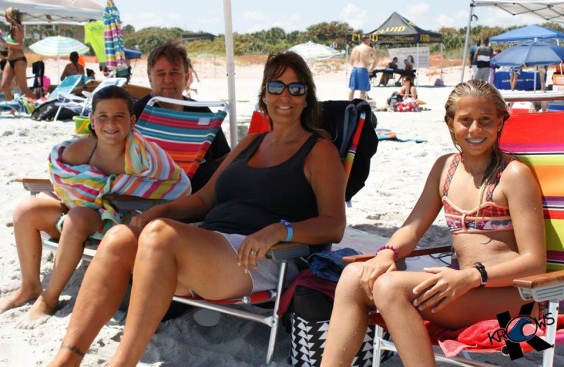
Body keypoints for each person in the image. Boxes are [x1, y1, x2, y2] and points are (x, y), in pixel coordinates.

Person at [48, 50, 347, 366]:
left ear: (306, 97)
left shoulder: (319, 151)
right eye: (276, 87)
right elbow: (205, 199)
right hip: (206, 245)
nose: (285, 95)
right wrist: (157, 212)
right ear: (264, 95)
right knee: (120, 237)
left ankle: (122, 361)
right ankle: (68, 357)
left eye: (296, 88)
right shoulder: (251, 143)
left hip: (260, 257)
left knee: (161, 235)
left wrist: (280, 230)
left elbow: (333, 225)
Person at [321, 80, 546, 367]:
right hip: (464, 290)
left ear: (501, 121)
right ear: (450, 123)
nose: (475, 129)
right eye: (465, 121)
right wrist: (387, 253)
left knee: (390, 286)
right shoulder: (445, 168)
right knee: (354, 275)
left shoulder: (513, 175)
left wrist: (472, 276)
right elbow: (413, 227)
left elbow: (534, 262)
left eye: (485, 120)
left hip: (513, 297)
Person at [0, 86, 190, 327]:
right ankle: (29, 287)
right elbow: (64, 183)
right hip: (81, 214)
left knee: (77, 217)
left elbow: (177, 185)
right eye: (103, 116)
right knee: (26, 209)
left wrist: (102, 195)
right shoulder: (79, 151)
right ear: (92, 120)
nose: (111, 123)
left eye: (119, 116)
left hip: (121, 221)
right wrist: (83, 196)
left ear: (132, 120)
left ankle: (49, 299)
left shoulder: (145, 157)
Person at [133, 40, 231, 192]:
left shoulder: (202, 112)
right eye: (160, 74)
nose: (168, 80)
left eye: (174, 73)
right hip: (153, 199)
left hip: (203, 198)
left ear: (186, 77)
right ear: (150, 78)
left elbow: (223, 158)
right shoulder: (136, 115)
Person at [0, 7, 36, 101]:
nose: (5, 17)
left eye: (6, 15)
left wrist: (5, 43)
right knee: (4, 85)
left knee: (24, 89)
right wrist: (2, 42)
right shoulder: (11, 29)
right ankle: (12, 108)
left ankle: (39, 106)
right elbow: (8, 46)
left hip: (19, 60)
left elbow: (20, 46)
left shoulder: (18, 28)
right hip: (10, 59)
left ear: (10, 16)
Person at [348, 35, 376, 101]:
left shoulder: (355, 48)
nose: (370, 42)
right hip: (363, 69)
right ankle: (361, 105)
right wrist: (371, 69)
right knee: (363, 90)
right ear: (365, 40)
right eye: (369, 40)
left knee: (352, 89)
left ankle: (349, 103)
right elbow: (376, 60)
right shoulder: (369, 49)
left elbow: (351, 61)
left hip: (354, 69)